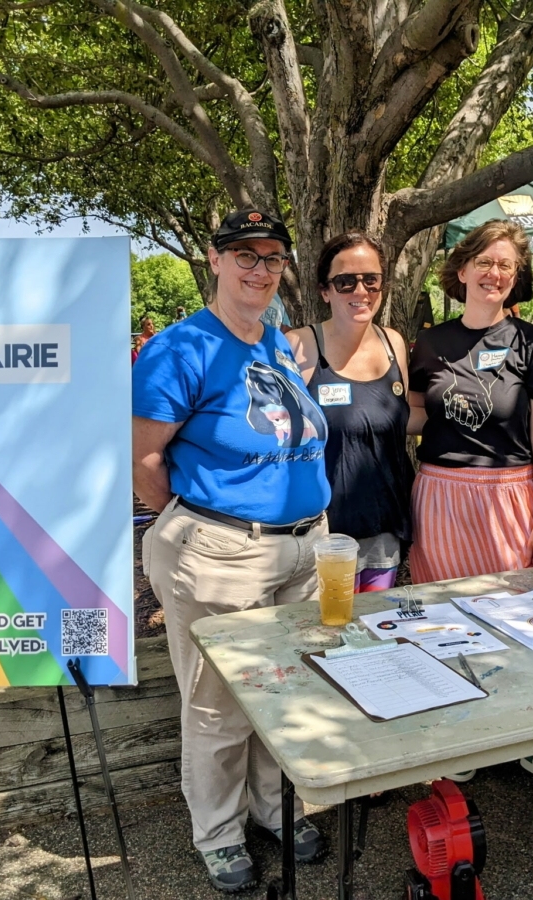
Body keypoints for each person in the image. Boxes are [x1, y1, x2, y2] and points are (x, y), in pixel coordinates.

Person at [133, 208, 329, 893]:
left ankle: (273, 806)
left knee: (286, 688)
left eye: (272, 258)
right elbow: (148, 461)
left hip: (304, 549)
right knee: (217, 699)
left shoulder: (276, 344)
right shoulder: (180, 349)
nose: (259, 269)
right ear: (214, 261)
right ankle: (217, 831)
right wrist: (199, 531)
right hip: (221, 551)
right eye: (244, 255)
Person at [407, 220, 533, 585]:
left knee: (514, 614)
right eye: (484, 262)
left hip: (509, 499)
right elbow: (412, 415)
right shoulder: (430, 344)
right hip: (438, 499)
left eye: (506, 265)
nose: (495, 274)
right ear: (463, 270)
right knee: (440, 619)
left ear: (516, 275)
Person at [286, 233, 414, 592]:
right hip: (320, 535)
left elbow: (398, 420)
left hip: (382, 530)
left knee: (373, 638)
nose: (361, 291)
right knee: (325, 638)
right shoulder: (299, 346)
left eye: (370, 280)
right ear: (325, 290)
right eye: (345, 282)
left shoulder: (394, 344)